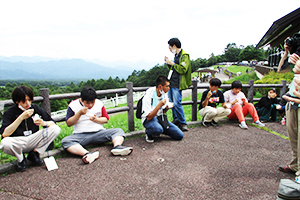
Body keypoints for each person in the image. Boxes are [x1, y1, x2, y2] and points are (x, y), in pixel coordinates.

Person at [61, 86, 133, 164]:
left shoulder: (99, 103)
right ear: (82, 100)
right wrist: (79, 113)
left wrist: (96, 120)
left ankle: (117, 147)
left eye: (92, 102)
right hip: (80, 135)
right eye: (87, 103)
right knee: (66, 141)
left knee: (118, 131)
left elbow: (106, 119)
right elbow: (69, 123)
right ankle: (87, 154)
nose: (90, 105)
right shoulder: (73, 105)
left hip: (99, 132)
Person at [0, 86, 61, 172]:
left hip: (33, 139)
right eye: (24, 101)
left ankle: (34, 153)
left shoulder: (35, 108)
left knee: (55, 129)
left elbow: (52, 122)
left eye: (29, 100)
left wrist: (44, 123)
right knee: (4, 142)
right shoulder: (10, 112)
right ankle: (21, 159)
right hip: (18, 141)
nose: (27, 103)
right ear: (17, 101)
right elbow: (5, 134)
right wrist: (20, 118)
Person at [278, 35, 300, 175]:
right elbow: (280, 69)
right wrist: (286, 53)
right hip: (292, 102)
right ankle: (295, 165)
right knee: (293, 137)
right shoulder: (295, 60)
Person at [141, 75, 184, 143]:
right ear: (160, 86)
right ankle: (149, 132)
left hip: (160, 118)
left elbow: (162, 111)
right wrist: (159, 105)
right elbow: (149, 117)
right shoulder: (148, 96)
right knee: (158, 129)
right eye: (166, 86)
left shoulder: (164, 94)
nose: (169, 88)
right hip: (149, 120)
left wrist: (166, 108)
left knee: (179, 135)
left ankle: (160, 129)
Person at [164, 38, 192, 132]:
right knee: (171, 103)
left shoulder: (184, 56)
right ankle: (176, 120)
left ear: (174, 46)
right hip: (172, 82)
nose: (170, 49)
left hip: (178, 83)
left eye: (170, 47)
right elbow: (174, 68)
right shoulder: (177, 55)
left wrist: (172, 63)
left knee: (177, 103)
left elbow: (183, 69)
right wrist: (169, 63)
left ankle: (183, 123)